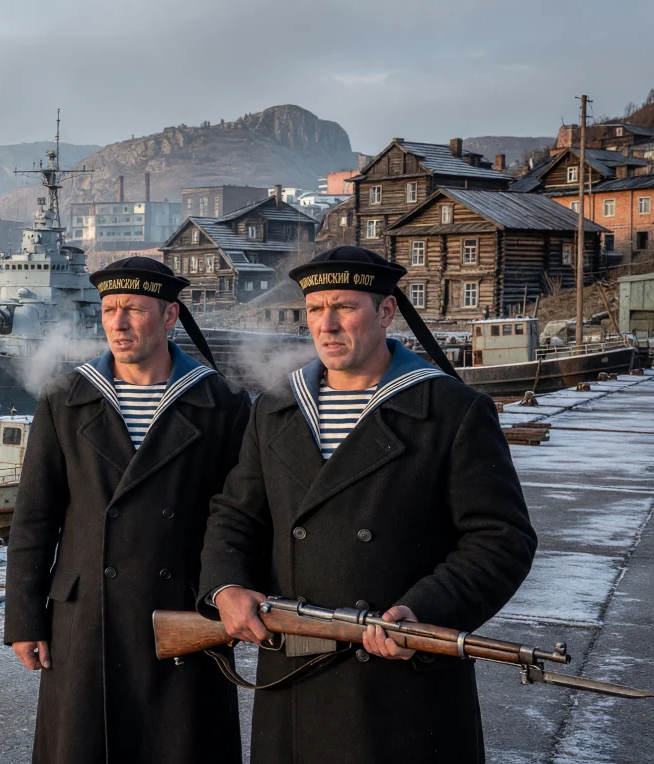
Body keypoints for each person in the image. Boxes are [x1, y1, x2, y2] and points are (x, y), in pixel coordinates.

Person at [197, 246, 537, 763]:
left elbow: (500, 539)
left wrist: (424, 611)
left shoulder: (452, 409)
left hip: (402, 681)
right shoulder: (275, 408)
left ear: (385, 311)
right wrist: (226, 586)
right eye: (315, 309)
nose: (327, 324)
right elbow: (237, 514)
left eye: (344, 307)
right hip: (295, 672)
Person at [5, 256, 251, 763]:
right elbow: (35, 517)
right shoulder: (65, 398)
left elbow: (239, 516)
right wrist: (25, 618)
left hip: (182, 609)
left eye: (134, 310)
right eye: (109, 309)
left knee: (179, 746)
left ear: (169, 316)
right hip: (86, 617)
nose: (117, 323)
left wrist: (230, 593)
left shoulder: (222, 402)